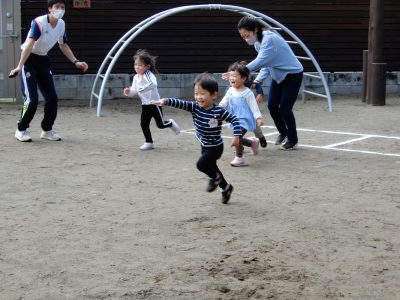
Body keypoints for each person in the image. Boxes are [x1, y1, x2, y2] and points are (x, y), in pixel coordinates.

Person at [151, 73, 241, 204]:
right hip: (204, 145)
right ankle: (226, 188)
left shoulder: (218, 111)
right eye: (196, 93)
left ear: (213, 95)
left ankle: (215, 179)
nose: (198, 97)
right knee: (212, 168)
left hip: (215, 147)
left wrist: (236, 135)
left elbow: (234, 119)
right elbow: (181, 103)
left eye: (202, 94)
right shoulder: (195, 107)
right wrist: (166, 101)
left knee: (202, 165)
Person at [9, 0, 89, 142]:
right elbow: (29, 45)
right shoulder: (39, 22)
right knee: (32, 99)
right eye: (57, 7)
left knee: (52, 98)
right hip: (28, 60)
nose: (60, 10)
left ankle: (47, 130)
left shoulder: (61, 24)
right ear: (49, 9)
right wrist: (19, 66)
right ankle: (21, 129)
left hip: (43, 60)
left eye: (62, 7)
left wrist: (76, 61)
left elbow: (63, 45)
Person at [226, 16, 304, 150]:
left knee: (285, 109)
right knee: (272, 106)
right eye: (243, 37)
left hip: (293, 74)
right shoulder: (258, 43)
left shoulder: (270, 39)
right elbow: (266, 64)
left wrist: (239, 72)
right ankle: (283, 132)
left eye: (247, 35)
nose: (246, 39)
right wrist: (257, 80)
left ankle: (293, 139)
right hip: (278, 76)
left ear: (256, 30)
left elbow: (261, 60)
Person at [123, 49, 180, 150]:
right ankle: (149, 142)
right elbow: (135, 91)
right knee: (143, 124)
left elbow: (153, 84)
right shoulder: (136, 77)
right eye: (135, 64)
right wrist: (128, 92)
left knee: (160, 124)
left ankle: (170, 123)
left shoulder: (149, 75)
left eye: (140, 65)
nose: (137, 67)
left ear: (147, 66)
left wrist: (141, 89)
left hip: (155, 104)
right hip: (145, 104)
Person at [219, 62, 264, 167]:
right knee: (238, 137)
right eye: (230, 76)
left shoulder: (248, 93)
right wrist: (219, 108)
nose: (232, 78)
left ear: (243, 78)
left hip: (245, 119)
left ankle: (239, 158)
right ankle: (252, 143)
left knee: (237, 136)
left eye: (235, 76)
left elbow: (254, 107)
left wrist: (258, 118)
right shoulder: (230, 90)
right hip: (234, 118)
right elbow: (224, 101)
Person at [245, 78, 267, 148]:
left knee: (255, 127)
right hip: (238, 112)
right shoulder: (230, 88)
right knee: (237, 130)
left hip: (249, 109)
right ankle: (239, 146)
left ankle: (261, 137)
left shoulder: (246, 83)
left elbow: (257, 85)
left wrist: (260, 93)